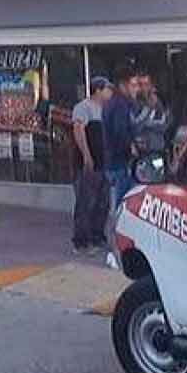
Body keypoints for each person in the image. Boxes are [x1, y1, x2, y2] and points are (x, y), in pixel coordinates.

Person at [71, 76, 114, 254]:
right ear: (98, 90)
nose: (110, 93)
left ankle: (98, 236)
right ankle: (81, 242)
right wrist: (86, 155)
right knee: (86, 202)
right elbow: (78, 130)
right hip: (89, 164)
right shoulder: (84, 108)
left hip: (103, 164)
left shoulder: (105, 110)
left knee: (103, 203)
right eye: (107, 89)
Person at [103, 66, 141, 210]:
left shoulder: (115, 103)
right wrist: (131, 147)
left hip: (114, 160)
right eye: (133, 85)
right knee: (122, 202)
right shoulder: (120, 105)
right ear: (123, 85)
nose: (136, 89)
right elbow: (120, 131)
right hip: (120, 161)